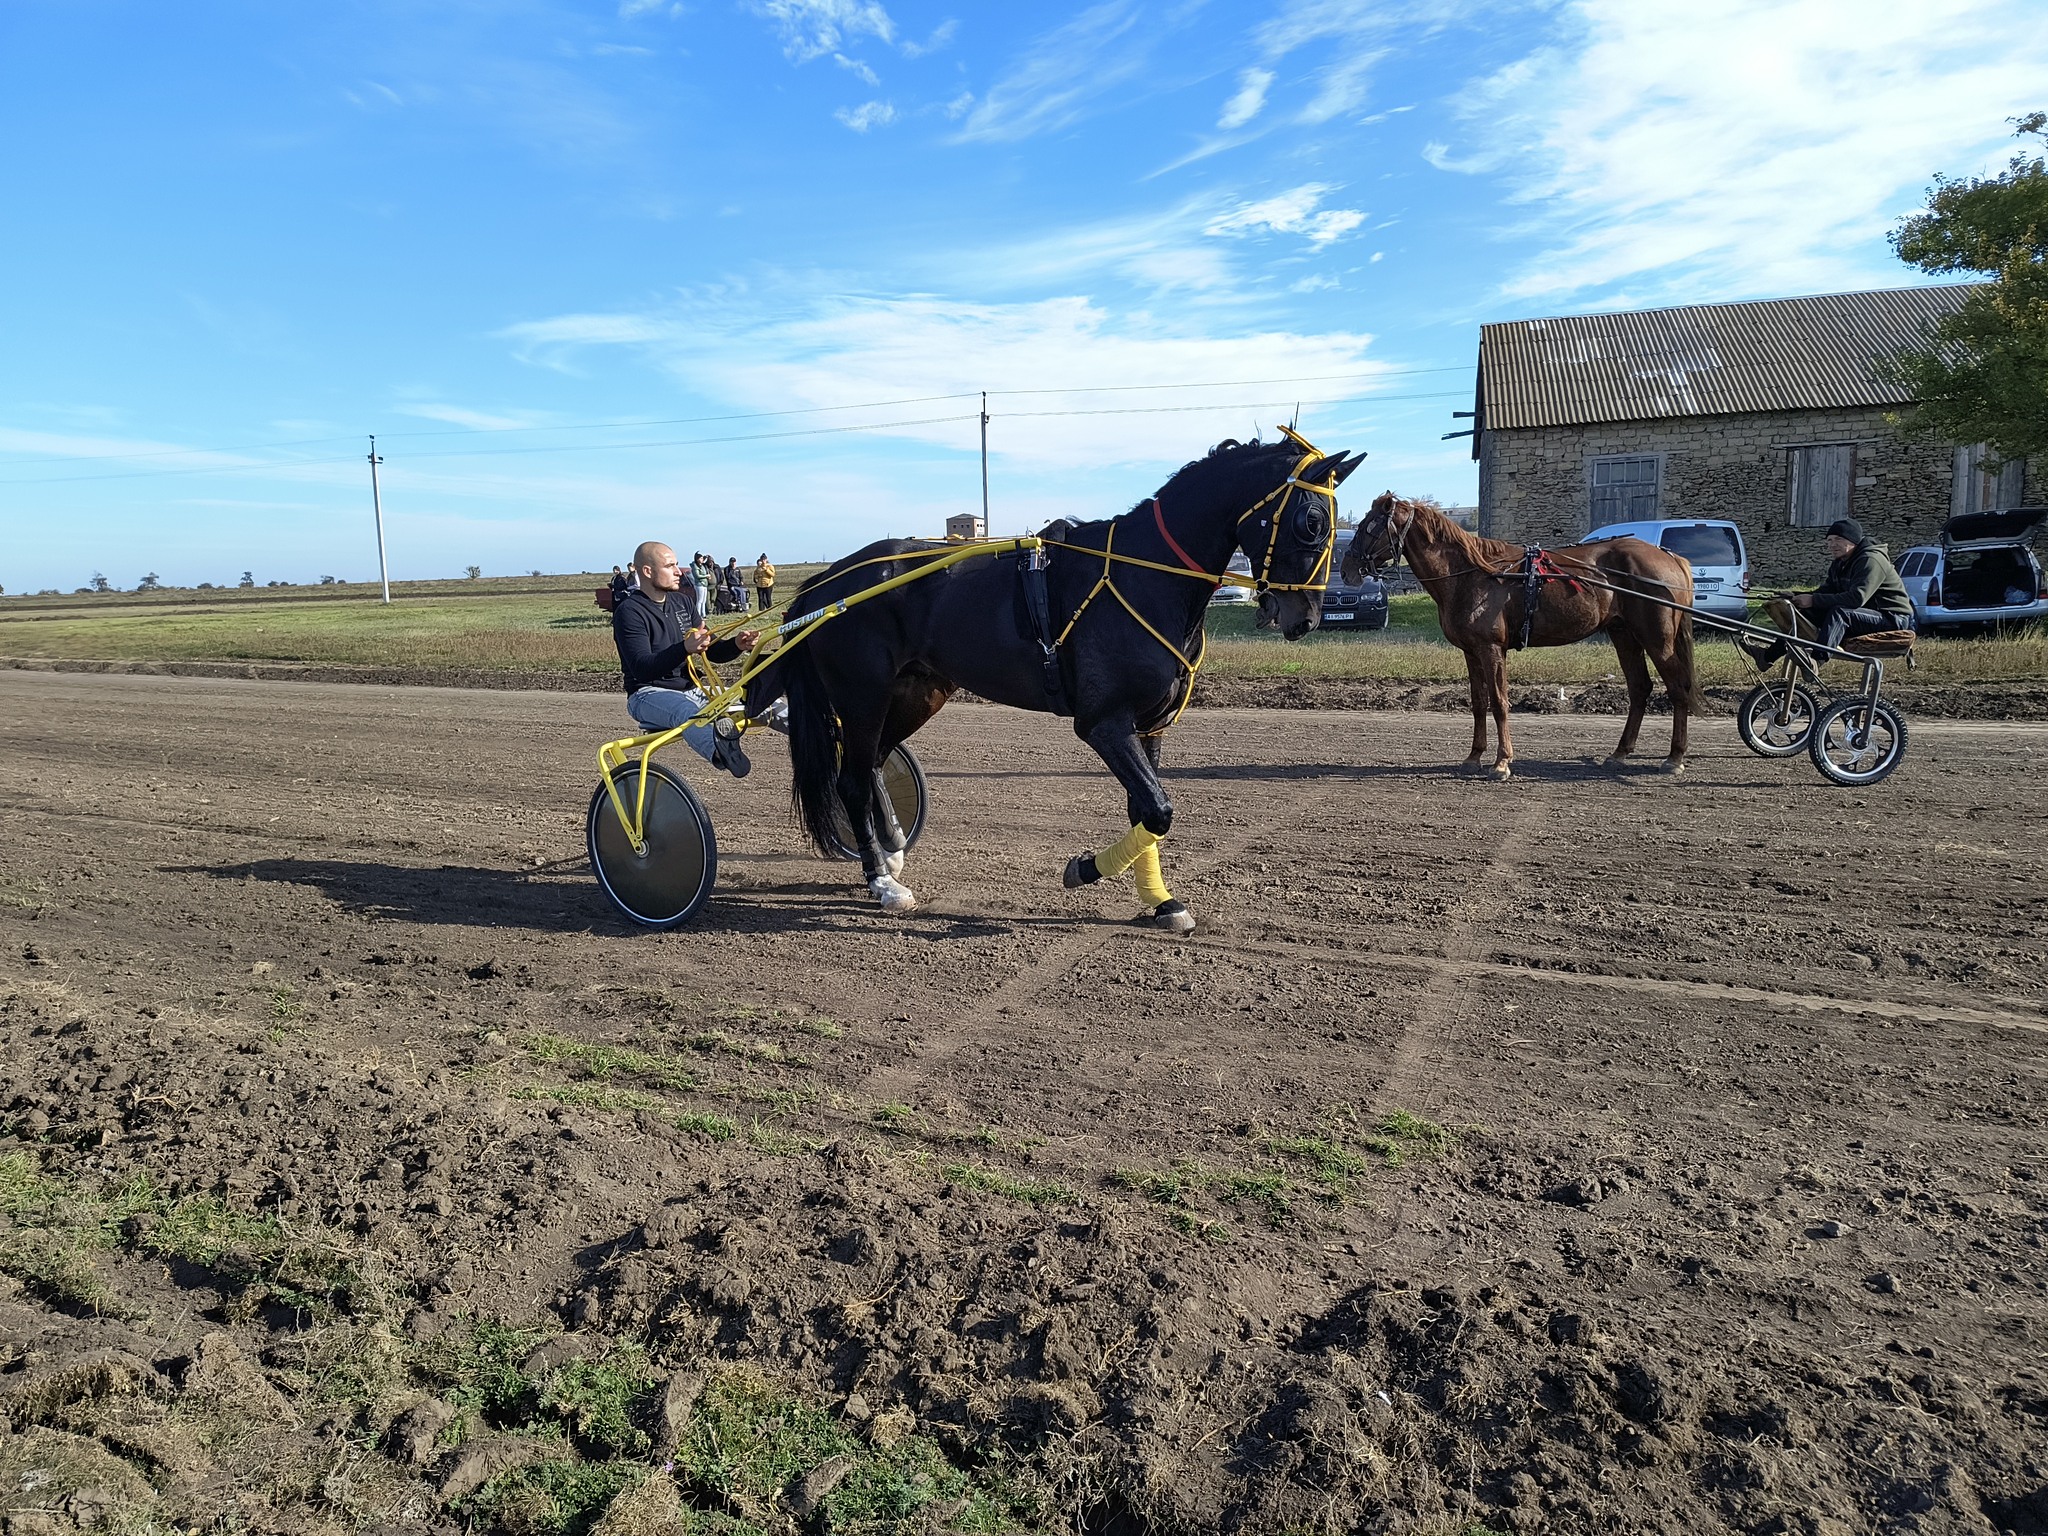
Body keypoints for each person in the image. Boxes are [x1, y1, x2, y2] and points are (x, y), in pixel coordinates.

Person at [612, 541, 760, 776]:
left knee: (757, 698)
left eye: (677, 565)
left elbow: (711, 649)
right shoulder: (629, 612)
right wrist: (684, 649)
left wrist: (737, 645)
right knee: (687, 710)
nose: (679, 572)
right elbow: (642, 668)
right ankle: (722, 750)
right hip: (648, 693)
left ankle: (824, 732)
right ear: (648, 571)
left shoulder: (683, 603)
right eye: (670, 566)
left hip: (693, 688)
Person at [1741, 518, 1914, 671]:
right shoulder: (1840, 563)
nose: (1832, 544)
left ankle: (1816, 661)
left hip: (1892, 618)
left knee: (1840, 613)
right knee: (1801, 613)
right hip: (1863, 614)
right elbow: (1826, 592)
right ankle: (1767, 657)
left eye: (1838, 539)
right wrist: (1795, 596)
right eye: (1829, 540)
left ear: (1853, 541)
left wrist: (1813, 600)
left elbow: (1856, 598)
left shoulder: (1871, 560)